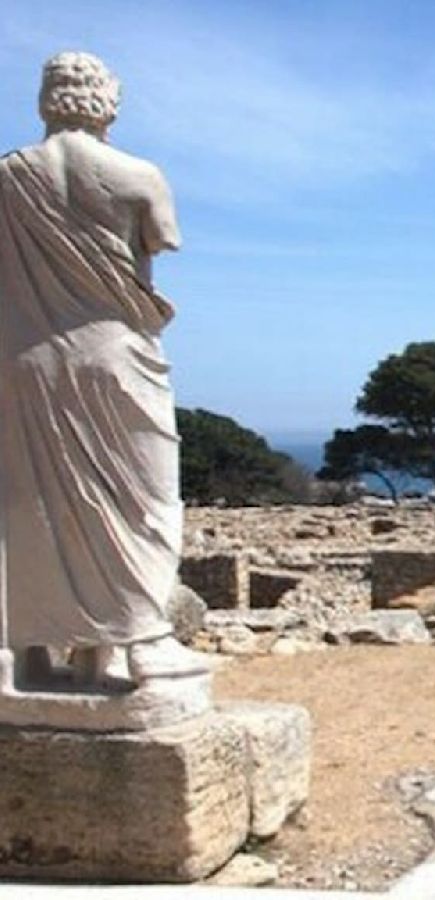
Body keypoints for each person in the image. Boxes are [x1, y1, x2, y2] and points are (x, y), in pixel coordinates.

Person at [0, 52, 206, 687]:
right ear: (106, 101)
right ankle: (141, 642)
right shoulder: (137, 174)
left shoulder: (7, 178)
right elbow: (153, 252)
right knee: (141, 500)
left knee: (30, 505)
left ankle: (35, 652)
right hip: (113, 353)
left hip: (22, 359)